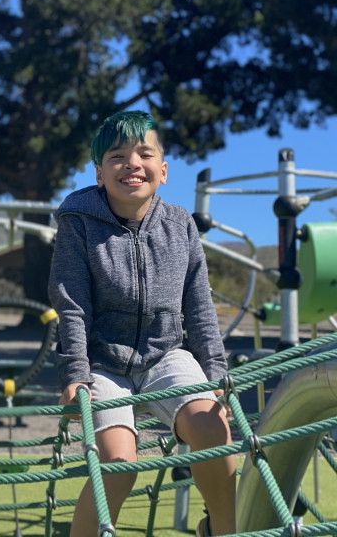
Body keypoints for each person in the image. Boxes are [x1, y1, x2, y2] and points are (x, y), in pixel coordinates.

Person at [47, 111, 235, 537]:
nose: (132, 163)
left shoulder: (180, 225)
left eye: (143, 153)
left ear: (163, 170)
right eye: (117, 156)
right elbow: (72, 305)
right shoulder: (78, 224)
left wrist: (215, 368)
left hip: (166, 354)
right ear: (99, 173)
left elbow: (199, 305)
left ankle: (223, 528)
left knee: (212, 427)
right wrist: (75, 374)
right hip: (102, 362)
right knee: (118, 464)